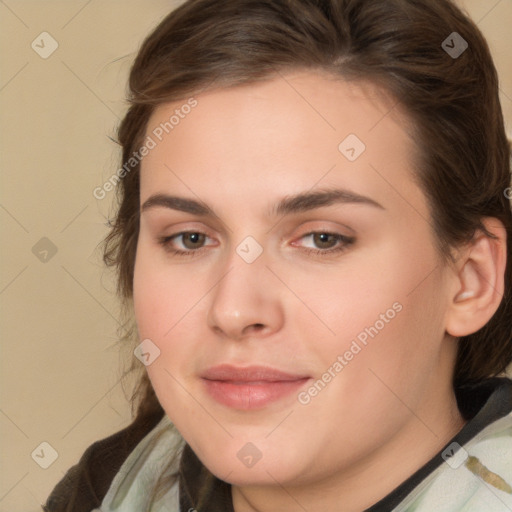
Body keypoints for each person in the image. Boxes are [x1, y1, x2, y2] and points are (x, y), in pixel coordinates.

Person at [43, 0, 512, 510]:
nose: (235, 310)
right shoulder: (100, 491)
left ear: (470, 280)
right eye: (190, 238)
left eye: (322, 239)